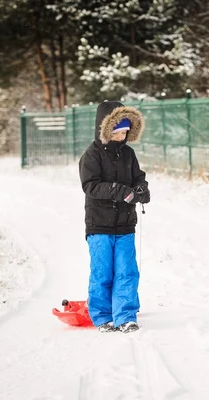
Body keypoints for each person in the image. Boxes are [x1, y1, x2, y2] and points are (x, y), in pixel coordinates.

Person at [79, 100, 150, 333]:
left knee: (127, 270)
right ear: (106, 129)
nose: (122, 136)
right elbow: (91, 186)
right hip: (99, 225)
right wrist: (120, 191)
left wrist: (141, 189)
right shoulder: (91, 155)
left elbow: (138, 177)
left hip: (125, 224)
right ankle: (101, 316)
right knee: (102, 271)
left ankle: (126, 316)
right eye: (118, 132)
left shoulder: (129, 154)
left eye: (125, 132)